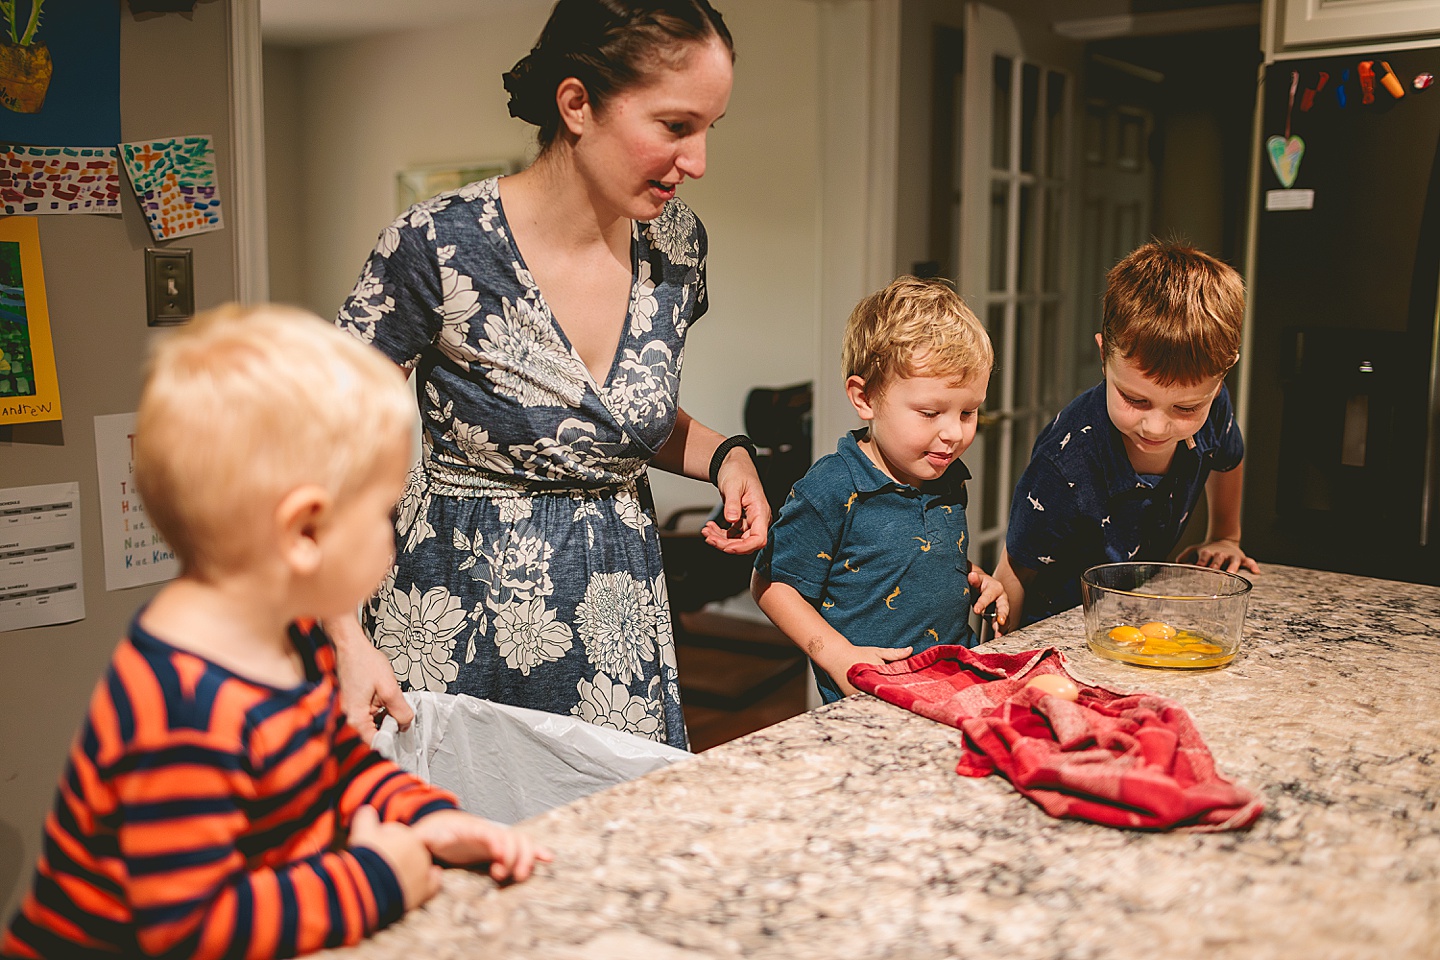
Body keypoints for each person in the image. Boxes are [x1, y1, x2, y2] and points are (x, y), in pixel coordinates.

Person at [1, 307, 548, 960]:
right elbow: (195, 929)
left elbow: (338, 765)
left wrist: (429, 818)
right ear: (305, 533)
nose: (394, 535)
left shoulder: (292, 640)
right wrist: (381, 878)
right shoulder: (180, 705)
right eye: (384, 512)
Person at [331, 0, 766, 752]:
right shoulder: (437, 245)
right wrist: (341, 634)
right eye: (675, 127)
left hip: (616, 621)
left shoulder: (678, 247)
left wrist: (727, 454)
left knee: (615, 851)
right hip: (453, 614)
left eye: (708, 130)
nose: (697, 162)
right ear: (577, 104)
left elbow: (606, 419)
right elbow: (325, 448)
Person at [750, 277, 1008, 703]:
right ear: (865, 398)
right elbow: (771, 584)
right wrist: (837, 656)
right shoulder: (830, 487)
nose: (952, 433)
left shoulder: (946, 476)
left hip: (952, 685)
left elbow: (912, 553)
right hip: (869, 699)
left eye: (968, 412)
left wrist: (971, 576)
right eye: (930, 412)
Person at [995, 240, 1261, 631]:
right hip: (1056, 629)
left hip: (1134, 615)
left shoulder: (1214, 403)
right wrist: (1002, 662)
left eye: (1185, 409)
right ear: (1104, 356)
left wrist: (1225, 534)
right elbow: (1014, 574)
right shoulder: (1066, 463)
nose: (1156, 427)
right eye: (1135, 399)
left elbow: (1227, 455)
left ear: (1222, 375)